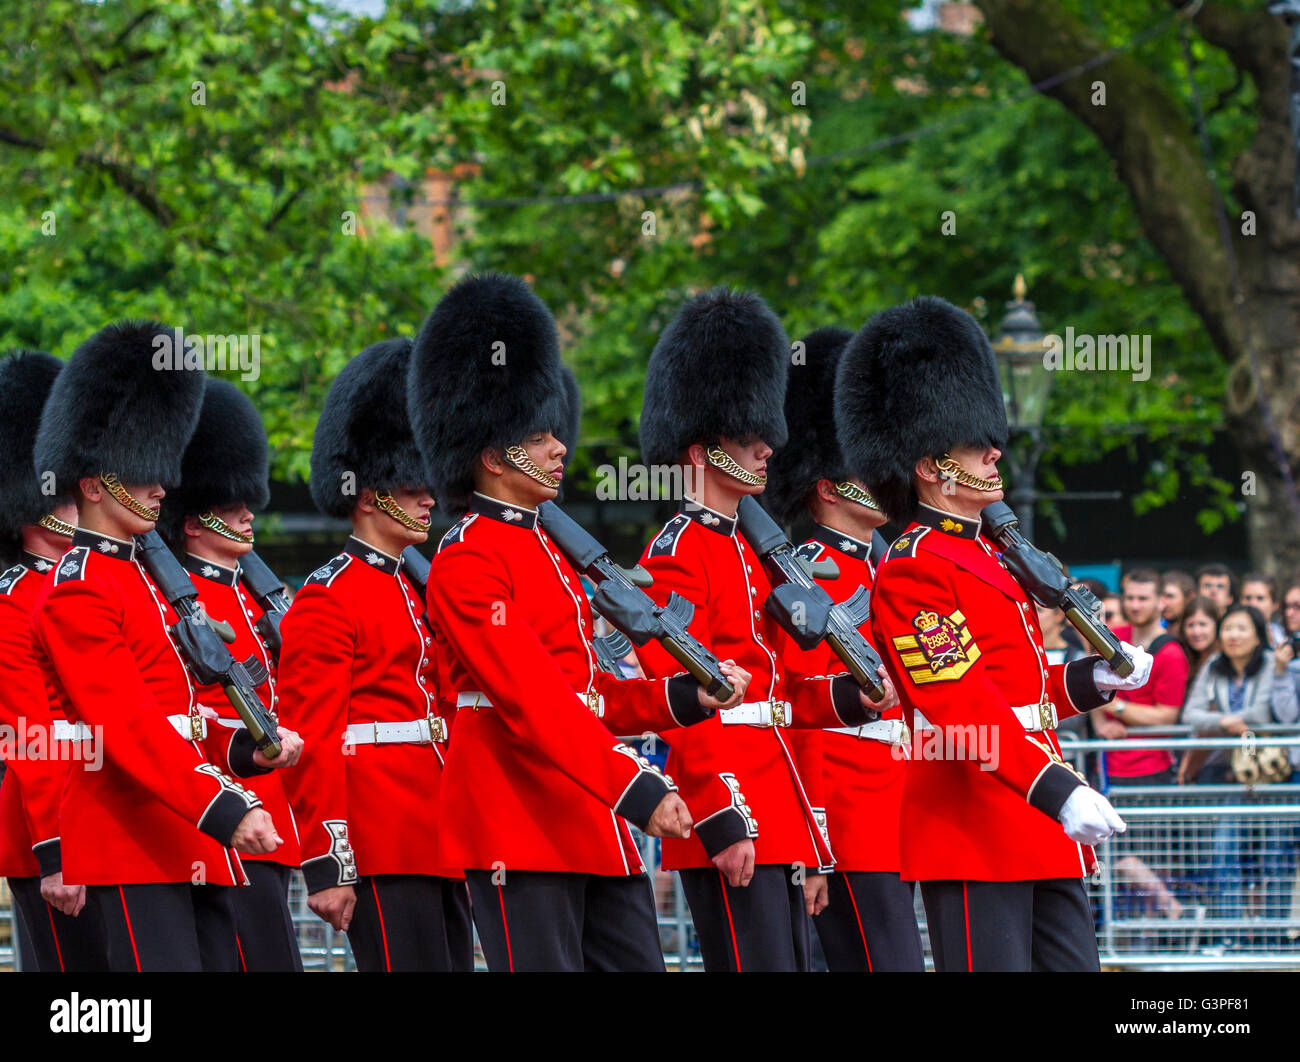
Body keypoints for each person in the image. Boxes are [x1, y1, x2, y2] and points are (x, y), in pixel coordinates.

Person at [411, 273, 752, 972]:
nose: (560, 448)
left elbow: (594, 690)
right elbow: (532, 695)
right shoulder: (466, 559)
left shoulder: (553, 551)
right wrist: (635, 787)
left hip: (591, 814)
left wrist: (685, 696)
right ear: (491, 452)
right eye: (539, 439)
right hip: (519, 818)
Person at [836, 295, 1152, 972]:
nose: (993, 452)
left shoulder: (991, 556)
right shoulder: (914, 567)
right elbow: (958, 705)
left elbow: (1023, 690)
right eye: (975, 446)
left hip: (1038, 817)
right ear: (929, 466)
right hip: (975, 821)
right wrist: (1057, 788)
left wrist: (1094, 676)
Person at [634, 288, 885, 972]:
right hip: (734, 802)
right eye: (747, 440)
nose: (767, 449)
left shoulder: (754, 552)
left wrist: (849, 697)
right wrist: (719, 813)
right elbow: (680, 696)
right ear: (702, 451)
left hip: (783, 805)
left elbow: (787, 691)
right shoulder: (674, 551)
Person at [29, 321, 293, 972]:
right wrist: (223, 802)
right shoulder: (78, 588)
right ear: (93, 485)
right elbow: (126, 724)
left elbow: (185, 714)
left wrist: (242, 748)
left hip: (187, 831)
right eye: (144, 471)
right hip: (132, 839)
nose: (161, 486)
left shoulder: (150, 583)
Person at [276, 337, 472, 972]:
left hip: (441, 832)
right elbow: (313, 739)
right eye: (411, 485)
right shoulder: (328, 597)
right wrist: (330, 863)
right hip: (380, 839)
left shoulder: (418, 586)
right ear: (367, 494)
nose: (428, 499)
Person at [764, 326, 923, 972]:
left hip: (902, 807)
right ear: (829, 486)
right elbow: (802, 709)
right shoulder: (806, 573)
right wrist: (819, 837)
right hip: (850, 820)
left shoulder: (892, 570)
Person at [158, 379, 305, 971]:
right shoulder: (177, 603)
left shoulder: (252, 597)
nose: (247, 514)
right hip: (219, 815)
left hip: (272, 813)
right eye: (228, 506)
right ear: (192, 523)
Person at [0, 350, 108, 972]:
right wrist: (56, 851)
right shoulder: (15, 598)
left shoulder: (96, 580)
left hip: (114, 825)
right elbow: (30, 734)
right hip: (57, 830)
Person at [1180, 604, 1298, 943]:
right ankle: (1230, 935)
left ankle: (1274, 937)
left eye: (1242, 628)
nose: (1233, 635)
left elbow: (1265, 711)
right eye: (1228, 628)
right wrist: (1225, 722)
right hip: (1227, 774)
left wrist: (1221, 719)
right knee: (1223, 852)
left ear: (1258, 634)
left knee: (1277, 854)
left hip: (1271, 775)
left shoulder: (1270, 667)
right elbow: (1191, 714)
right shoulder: (1213, 668)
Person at [1092, 569, 1187, 787]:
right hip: (1106, 761)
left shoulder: (1171, 652)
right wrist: (1101, 725)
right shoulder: (1113, 634)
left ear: (1161, 602)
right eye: (1130, 598)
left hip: (1149, 766)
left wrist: (1113, 707)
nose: (1134, 605)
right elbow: (1089, 680)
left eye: (1143, 599)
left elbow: (1166, 716)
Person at [1241, 572, 1284, 647]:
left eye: (1260, 598)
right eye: (1248, 598)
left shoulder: (1283, 636)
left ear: (1275, 604)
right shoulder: (1231, 637)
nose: (1253, 604)